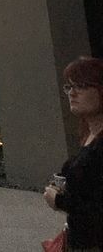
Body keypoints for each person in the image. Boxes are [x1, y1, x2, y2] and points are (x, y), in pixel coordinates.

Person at [49, 57, 103, 249]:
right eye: (69, 87)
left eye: (81, 86)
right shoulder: (90, 134)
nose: (72, 93)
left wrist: (59, 200)